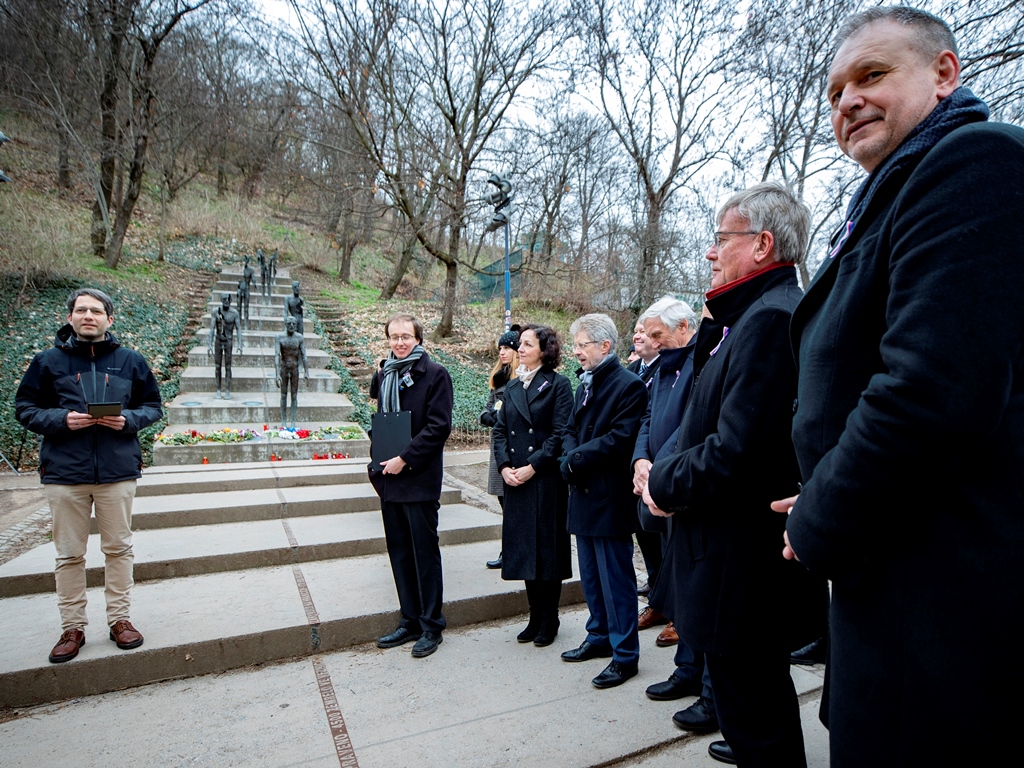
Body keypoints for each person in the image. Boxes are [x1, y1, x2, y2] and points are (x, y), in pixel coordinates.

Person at [778, 7, 1024, 765]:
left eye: (872, 75)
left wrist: (815, 516)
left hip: (941, 607)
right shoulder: (891, 191)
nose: (846, 100)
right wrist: (820, 475)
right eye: (834, 90)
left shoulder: (974, 162)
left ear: (945, 74)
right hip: (893, 577)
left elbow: (929, 391)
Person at [643, 183, 825, 767]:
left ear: (763, 245)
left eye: (722, 239)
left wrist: (663, 485)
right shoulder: (752, 317)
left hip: (738, 568)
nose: (711, 252)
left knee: (759, 723)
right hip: (729, 564)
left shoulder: (770, 321)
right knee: (754, 713)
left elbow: (738, 450)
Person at [15, 288, 162, 663]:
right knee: (68, 554)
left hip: (117, 471)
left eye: (96, 311)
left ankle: (120, 620)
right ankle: (73, 627)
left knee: (119, 549)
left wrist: (128, 419)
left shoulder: (130, 361)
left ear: (109, 319)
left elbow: (152, 406)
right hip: (65, 473)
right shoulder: (47, 362)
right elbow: (25, 408)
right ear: (70, 317)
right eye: (81, 310)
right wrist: (60, 419)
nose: (88, 316)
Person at [632, 296, 718, 733]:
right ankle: (686, 669)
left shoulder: (702, 362)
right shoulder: (664, 365)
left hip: (682, 488)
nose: (649, 341)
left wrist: (658, 473)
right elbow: (649, 419)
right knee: (679, 584)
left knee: (698, 590)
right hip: (661, 485)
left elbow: (691, 427)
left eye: (657, 335)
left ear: (685, 327)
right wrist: (640, 461)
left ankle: (706, 684)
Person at [560, 313, 647, 689]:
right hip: (582, 493)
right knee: (593, 578)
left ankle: (625, 654)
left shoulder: (629, 386)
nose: (576, 352)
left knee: (616, 580)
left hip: (609, 498)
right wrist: (567, 456)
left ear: (604, 346)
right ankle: (598, 636)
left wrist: (575, 459)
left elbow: (619, 438)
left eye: (581, 345)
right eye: (576, 345)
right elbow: (569, 429)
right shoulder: (585, 384)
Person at [369, 313, 453, 659]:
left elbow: (438, 427)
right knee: (400, 551)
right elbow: (381, 420)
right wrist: (380, 459)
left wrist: (405, 457)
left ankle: (432, 624)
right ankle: (410, 619)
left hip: (417, 477)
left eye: (406, 336)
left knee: (424, 553)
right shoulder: (385, 374)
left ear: (419, 338)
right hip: (389, 478)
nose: (400, 342)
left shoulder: (435, 375)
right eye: (394, 336)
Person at [493, 325, 574, 647]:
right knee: (525, 550)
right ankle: (533, 615)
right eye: (520, 343)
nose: (520, 348)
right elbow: (499, 431)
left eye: (527, 344)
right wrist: (504, 467)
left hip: (544, 480)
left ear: (545, 350)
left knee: (547, 552)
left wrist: (532, 466)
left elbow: (559, 433)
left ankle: (549, 618)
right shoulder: (512, 386)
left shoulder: (559, 385)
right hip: (516, 480)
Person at [627, 318, 666, 622]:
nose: (638, 335)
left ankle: (671, 605)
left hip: (660, 467)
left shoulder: (668, 371)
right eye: (637, 331)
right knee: (645, 535)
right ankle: (657, 593)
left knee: (665, 540)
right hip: (634, 467)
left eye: (646, 331)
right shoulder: (631, 372)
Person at [480, 325, 520, 570]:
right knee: (503, 501)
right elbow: (485, 412)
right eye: (500, 348)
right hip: (498, 448)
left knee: (514, 504)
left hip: (514, 449)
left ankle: (512, 553)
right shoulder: (498, 378)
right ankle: (508, 551)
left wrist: (500, 418)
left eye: (506, 348)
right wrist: (494, 418)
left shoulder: (520, 380)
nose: (502, 353)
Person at [275, 315, 309, 428]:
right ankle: (283, 421)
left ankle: (293, 421)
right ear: (285, 324)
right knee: (283, 395)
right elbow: (276, 355)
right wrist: (276, 374)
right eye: (289, 324)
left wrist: (306, 371)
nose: (291, 326)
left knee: (294, 396)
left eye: (294, 324)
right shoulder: (279, 337)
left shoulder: (299, 338)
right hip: (284, 368)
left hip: (294, 368)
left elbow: (304, 355)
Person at [208, 292, 242, 400]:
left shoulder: (234, 313)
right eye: (224, 299)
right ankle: (218, 389)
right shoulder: (216, 312)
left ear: (230, 300)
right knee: (217, 367)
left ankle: (227, 389)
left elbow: (239, 329)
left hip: (228, 340)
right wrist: (209, 344)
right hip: (218, 340)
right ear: (221, 300)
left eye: (228, 299)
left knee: (228, 366)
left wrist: (240, 344)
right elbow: (212, 329)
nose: (226, 301)